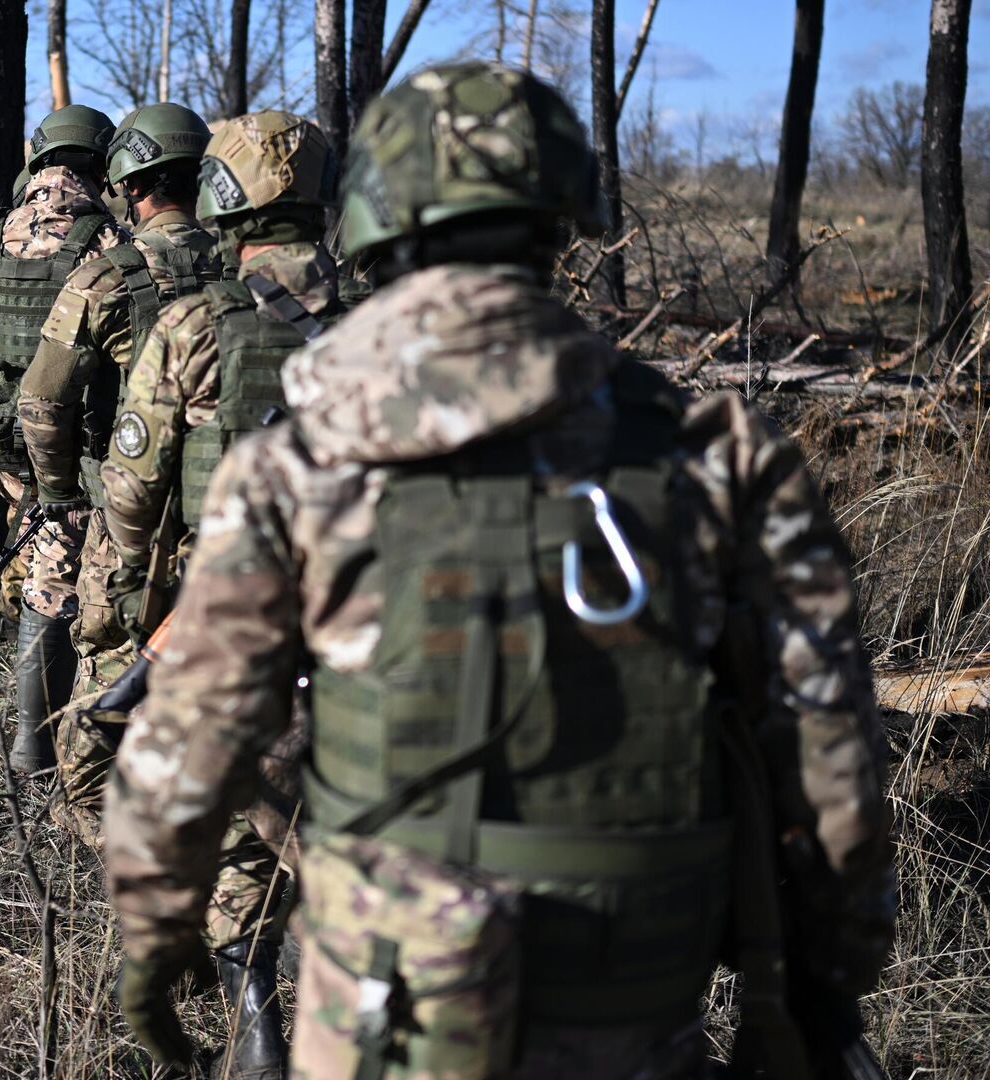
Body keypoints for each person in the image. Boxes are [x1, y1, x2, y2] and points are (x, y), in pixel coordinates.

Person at [105, 62, 897, 1080]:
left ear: (378, 222)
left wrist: (155, 951)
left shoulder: (298, 462)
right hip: (632, 1006)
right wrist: (830, 989)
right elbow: (834, 756)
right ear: (561, 218)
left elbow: (187, 747)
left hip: (388, 1016)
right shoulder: (718, 450)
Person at [92, 108, 341, 1080]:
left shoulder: (198, 325)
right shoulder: (392, 317)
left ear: (228, 200)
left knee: (244, 831)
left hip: (231, 625)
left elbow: (129, 493)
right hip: (382, 630)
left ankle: (256, 1020)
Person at [15, 102, 222, 836]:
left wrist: (62, 492)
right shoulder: (247, 272)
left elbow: (41, 403)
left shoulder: (106, 277)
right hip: (233, 514)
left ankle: (91, 823)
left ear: (129, 183)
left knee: (107, 660)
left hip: (126, 511)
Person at [0, 103, 127, 773]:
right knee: (55, 584)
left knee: (34, 562)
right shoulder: (110, 243)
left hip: (0, 443)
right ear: (101, 162)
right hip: (73, 449)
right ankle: (34, 754)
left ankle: (37, 711)